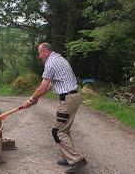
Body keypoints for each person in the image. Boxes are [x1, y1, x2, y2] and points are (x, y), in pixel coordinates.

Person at [22, 42, 87, 173]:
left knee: (58, 131)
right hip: (73, 97)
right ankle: (69, 158)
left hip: (67, 99)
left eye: (40, 53)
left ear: (46, 51)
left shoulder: (50, 63)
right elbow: (51, 84)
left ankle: (77, 160)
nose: (39, 56)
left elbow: (42, 87)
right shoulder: (59, 58)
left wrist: (30, 100)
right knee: (64, 130)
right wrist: (36, 98)